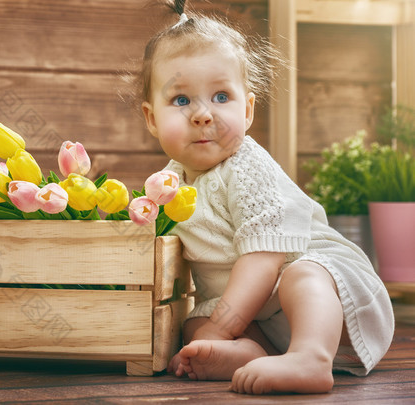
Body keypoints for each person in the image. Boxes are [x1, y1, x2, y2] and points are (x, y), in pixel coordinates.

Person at [137, 0, 395, 395]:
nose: (203, 115)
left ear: (249, 110)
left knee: (301, 274)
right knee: (192, 324)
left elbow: (265, 259)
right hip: (262, 313)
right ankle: (255, 354)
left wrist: (221, 327)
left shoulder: (247, 168)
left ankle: (311, 356)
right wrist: (210, 328)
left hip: (334, 301)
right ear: (152, 118)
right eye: (182, 100)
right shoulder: (168, 183)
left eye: (221, 97)